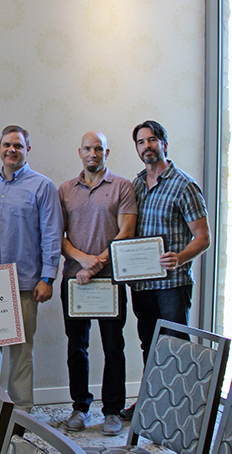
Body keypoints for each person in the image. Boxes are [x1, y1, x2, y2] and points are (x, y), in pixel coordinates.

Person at [121, 120, 209, 420]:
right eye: (141, 142)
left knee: (175, 346)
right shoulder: (136, 186)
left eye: (152, 140)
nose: (147, 146)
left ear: (164, 144)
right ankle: (150, 403)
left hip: (173, 283)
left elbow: (204, 238)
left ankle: (182, 414)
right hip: (142, 284)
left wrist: (181, 257)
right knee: (150, 344)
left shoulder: (184, 185)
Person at [0, 125, 63, 412]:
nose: (11, 150)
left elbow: (52, 234)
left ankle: (22, 412)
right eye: (6, 145)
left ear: (27, 149)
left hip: (25, 282)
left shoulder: (43, 186)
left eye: (18, 145)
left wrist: (48, 277)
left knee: (21, 351)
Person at [58, 131, 137, 436]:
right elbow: (59, 237)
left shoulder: (122, 187)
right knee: (77, 346)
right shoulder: (65, 190)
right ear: (80, 152)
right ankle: (80, 406)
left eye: (99, 149)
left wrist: (97, 263)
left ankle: (113, 411)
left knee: (113, 346)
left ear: (107, 152)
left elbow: (126, 232)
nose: (93, 153)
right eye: (88, 149)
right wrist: (83, 261)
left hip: (110, 282)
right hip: (74, 280)